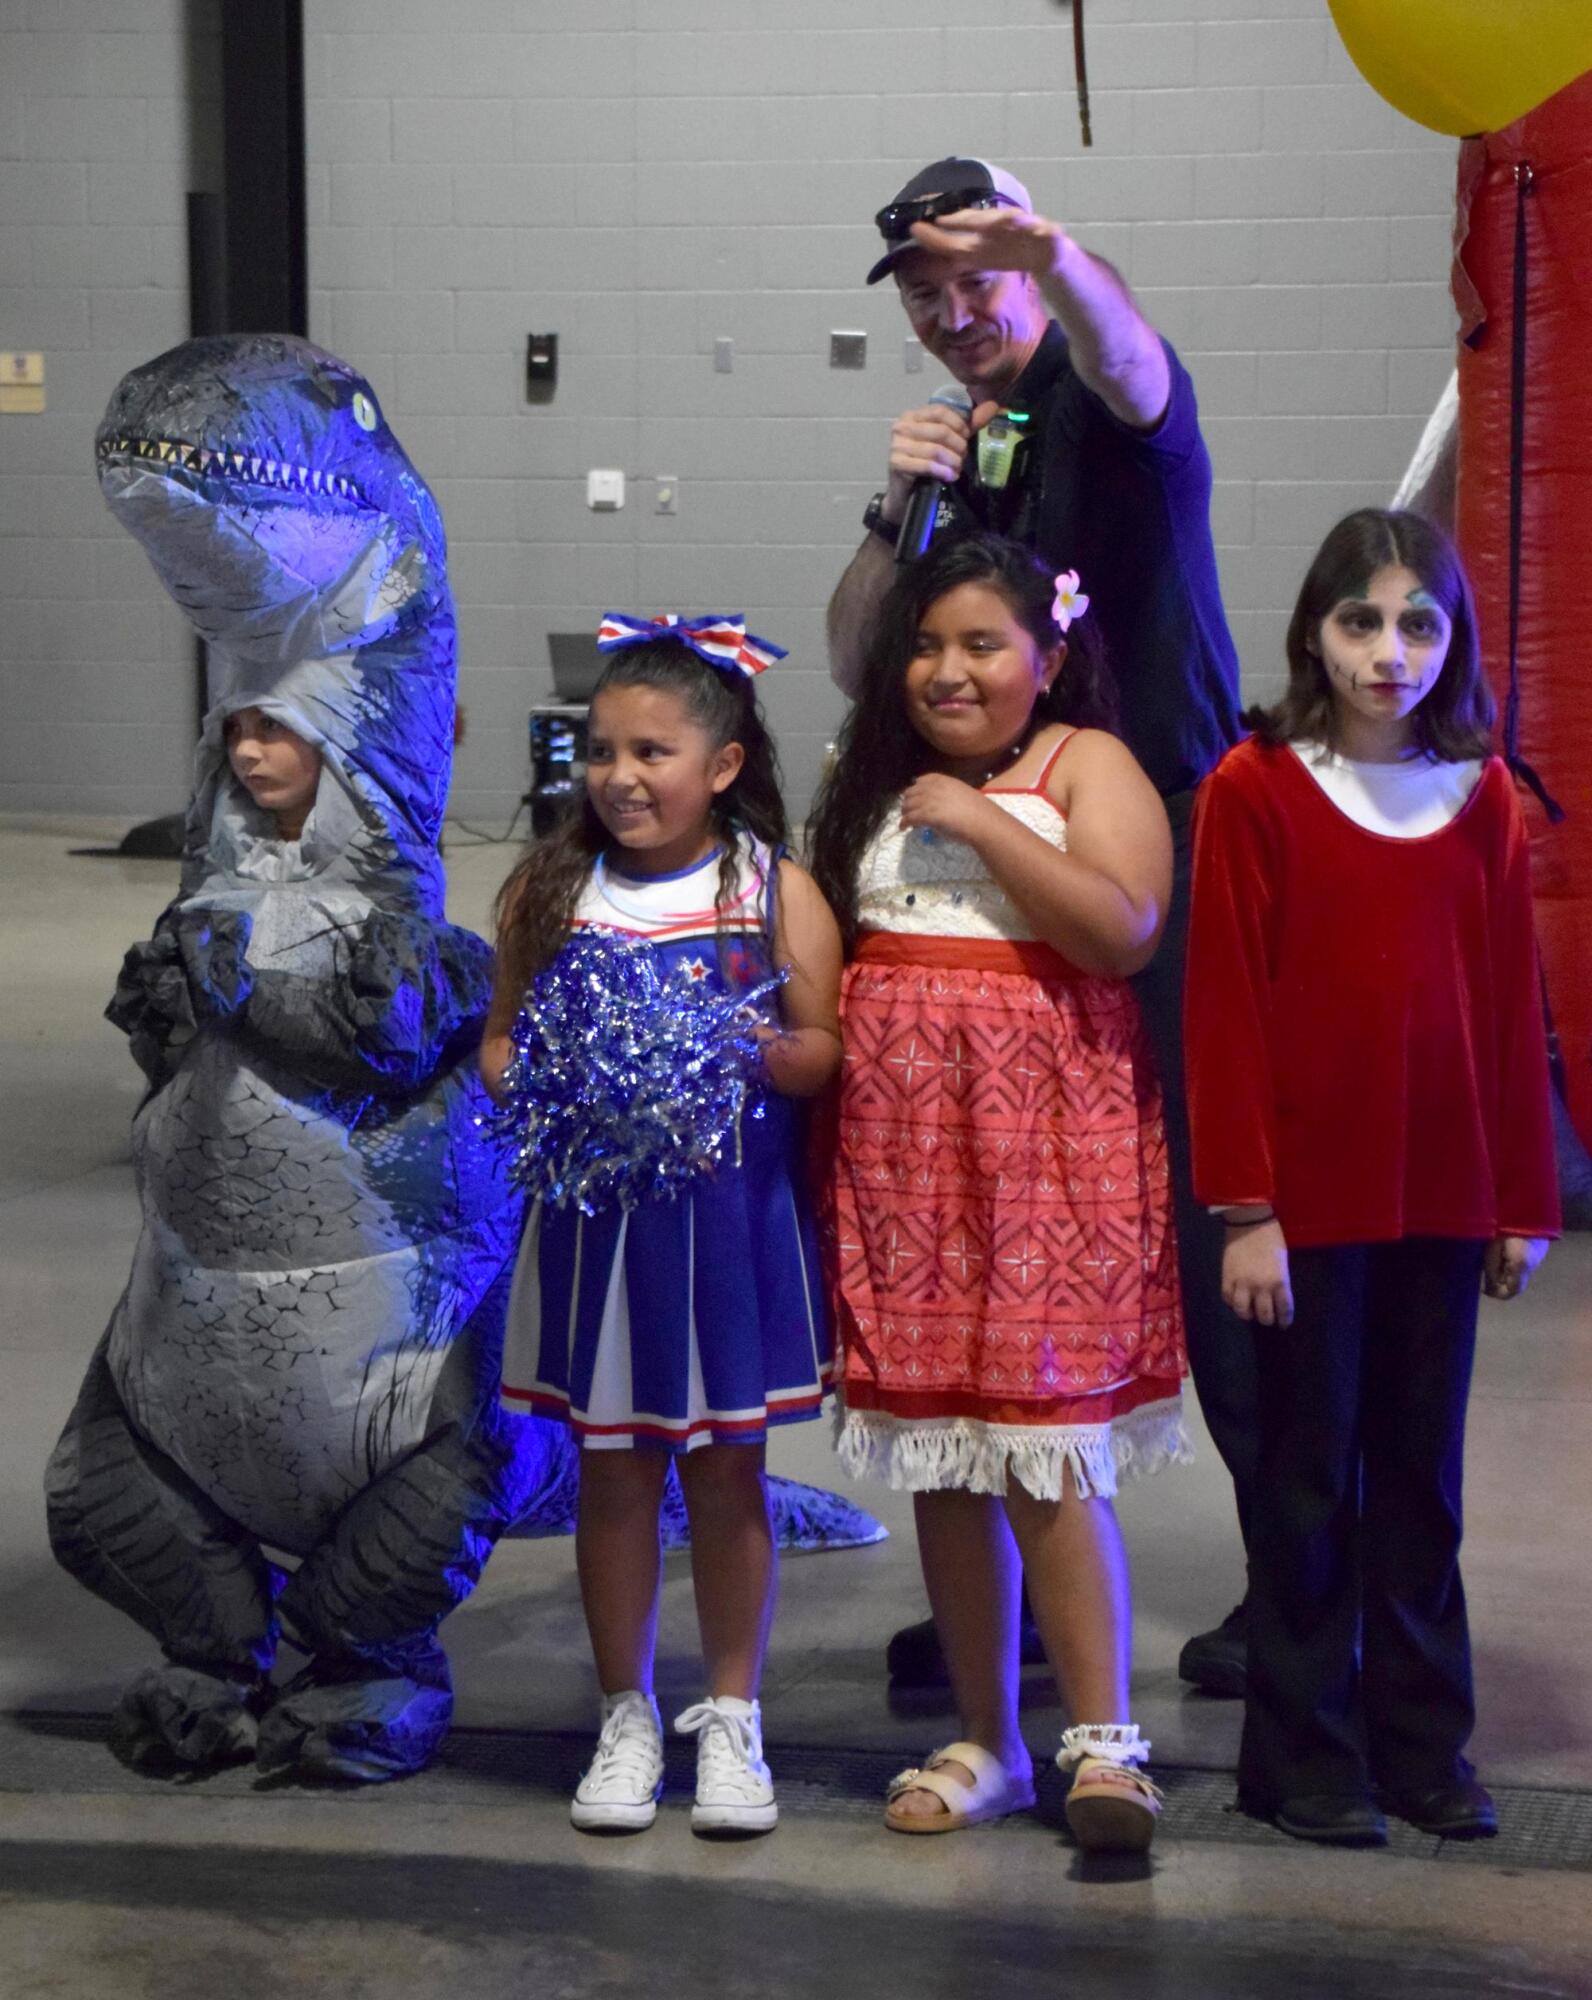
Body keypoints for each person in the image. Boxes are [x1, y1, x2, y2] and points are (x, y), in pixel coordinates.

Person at [828, 157, 1251, 1695]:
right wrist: (897, 507)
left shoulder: (1102, 392)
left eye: (975, 278)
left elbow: (1132, 354)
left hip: (1166, 848)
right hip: (992, 883)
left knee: (1215, 1226)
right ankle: (986, 1626)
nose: (954, 315)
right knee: (989, 1241)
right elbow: (859, 659)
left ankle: (1293, 1589)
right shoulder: (966, 451)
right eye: (927, 294)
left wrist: (1059, 255)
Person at [1183, 509, 1560, 1847]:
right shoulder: (1254, 787)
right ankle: (1306, 1757)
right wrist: (1247, 1209)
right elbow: (1223, 1011)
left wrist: (1525, 1194)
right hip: (1306, 1214)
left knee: (1421, 1483)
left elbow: (1511, 1013)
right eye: (1361, 622)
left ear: (1451, 643)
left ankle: (1422, 1747)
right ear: (1313, 634)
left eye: (1418, 624)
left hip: (1444, 1205)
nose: (1389, 652)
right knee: (1305, 1484)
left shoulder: (1484, 800)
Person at [809, 533, 1188, 1851]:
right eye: (925, 645)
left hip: (1046, 1164)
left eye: (981, 644)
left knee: (1045, 1451)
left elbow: (1123, 927)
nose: (947, 670)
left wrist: (980, 821)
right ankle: (990, 1738)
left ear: (1051, 656)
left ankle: (1103, 1742)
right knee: (946, 1459)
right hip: (907, 1170)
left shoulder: (1086, 765)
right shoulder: (871, 786)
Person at [483, 619, 844, 1837]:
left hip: (730, 1229)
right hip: (596, 1235)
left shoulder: (769, 888)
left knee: (729, 1468)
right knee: (614, 1471)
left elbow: (820, 1053)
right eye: (600, 749)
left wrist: (735, 1049)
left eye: (652, 750)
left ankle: (732, 1714)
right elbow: (496, 1042)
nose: (619, 775)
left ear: (725, 764)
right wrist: (553, 1077)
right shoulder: (549, 887)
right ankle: (625, 1710)